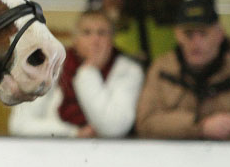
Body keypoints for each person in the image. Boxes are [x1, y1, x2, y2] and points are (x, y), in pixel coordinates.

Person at [135, 0, 230, 140]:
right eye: (188, 34)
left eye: (203, 33)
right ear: (177, 34)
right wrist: (200, 126)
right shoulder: (161, 68)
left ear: (220, 34)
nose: (196, 43)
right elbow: (145, 123)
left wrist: (223, 127)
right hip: (174, 157)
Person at [8, 9, 144, 138]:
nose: (95, 40)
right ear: (75, 39)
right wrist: (73, 133)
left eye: (102, 33)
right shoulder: (51, 65)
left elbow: (113, 127)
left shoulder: (128, 70)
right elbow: (20, 125)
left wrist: (88, 71)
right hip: (53, 151)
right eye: (87, 33)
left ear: (112, 39)